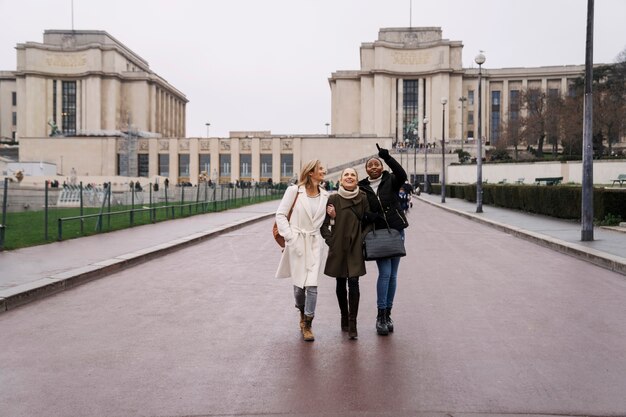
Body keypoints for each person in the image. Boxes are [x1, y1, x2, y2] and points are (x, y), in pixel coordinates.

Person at [275, 160, 329, 342]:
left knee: (312, 285)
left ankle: (308, 323)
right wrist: (290, 237)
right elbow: (281, 215)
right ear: (311, 172)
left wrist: (334, 218)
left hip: (315, 243)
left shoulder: (325, 195)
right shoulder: (294, 191)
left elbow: (325, 223)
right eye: (320, 168)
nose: (324, 171)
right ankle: (301, 311)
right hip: (297, 241)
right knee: (299, 287)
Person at [358, 144, 409, 336]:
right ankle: (380, 317)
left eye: (376, 164)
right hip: (378, 234)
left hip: (396, 232)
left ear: (381, 168)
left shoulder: (391, 180)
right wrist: (368, 216)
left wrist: (387, 157)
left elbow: (402, 174)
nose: (373, 167)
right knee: (385, 273)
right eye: (370, 165)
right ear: (366, 170)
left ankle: (388, 314)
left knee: (394, 275)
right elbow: (359, 210)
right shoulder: (362, 187)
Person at [321, 168, 371, 340]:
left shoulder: (363, 198)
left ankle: (352, 323)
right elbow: (324, 225)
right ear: (341, 180)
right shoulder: (333, 198)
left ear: (357, 180)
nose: (349, 177)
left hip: (355, 247)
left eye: (353, 175)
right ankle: (343, 317)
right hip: (339, 247)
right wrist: (332, 241)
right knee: (340, 282)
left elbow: (369, 223)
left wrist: (361, 239)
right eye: (346, 175)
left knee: (354, 282)